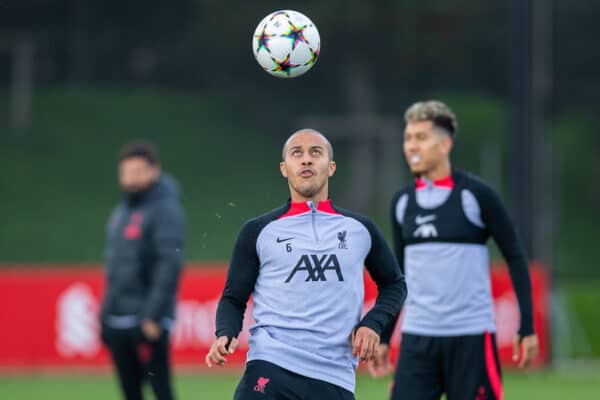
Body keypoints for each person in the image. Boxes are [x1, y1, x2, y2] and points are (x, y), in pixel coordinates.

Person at [205, 129, 407, 400]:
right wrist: (225, 333)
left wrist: (373, 324)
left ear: (331, 167)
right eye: (296, 153)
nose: (306, 160)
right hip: (270, 365)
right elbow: (233, 298)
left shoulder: (361, 229)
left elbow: (395, 284)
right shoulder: (258, 230)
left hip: (334, 376)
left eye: (316, 152)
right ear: (284, 168)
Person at [369, 100, 539, 400]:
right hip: (418, 339)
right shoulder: (402, 202)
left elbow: (515, 257)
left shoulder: (476, 195)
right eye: (407, 138)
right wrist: (384, 336)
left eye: (421, 137)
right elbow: (398, 277)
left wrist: (527, 327)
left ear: (445, 144)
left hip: (471, 337)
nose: (411, 146)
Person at [100, 141, 185, 400]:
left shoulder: (166, 209)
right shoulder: (122, 210)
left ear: (154, 171)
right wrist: (105, 313)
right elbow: (114, 266)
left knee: (160, 390)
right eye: (125, 172)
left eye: (137, 171)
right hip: (117, 315)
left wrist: (152, 314)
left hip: (146, 319)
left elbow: (168, 264)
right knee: (129, 390)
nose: (130, 179)